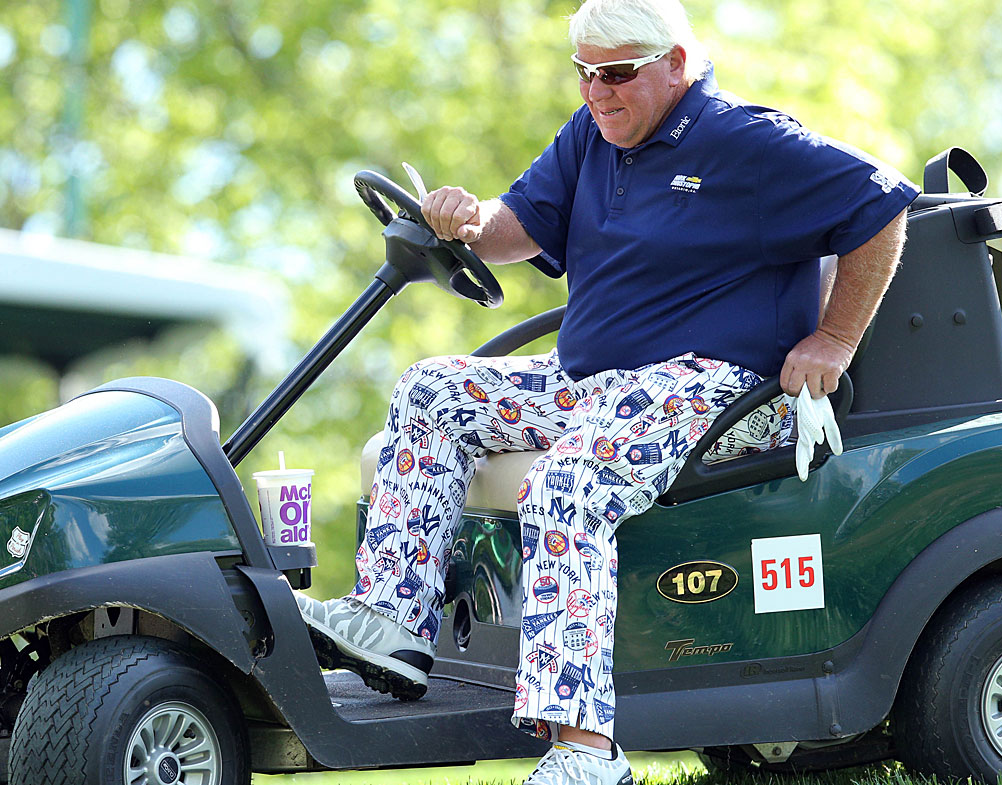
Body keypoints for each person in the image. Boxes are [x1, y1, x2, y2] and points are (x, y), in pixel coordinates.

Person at [294, 0, 919, 782]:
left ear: (676, 66)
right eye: (584, 73)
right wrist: (466, 218)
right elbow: (516, 225)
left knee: (566, 486)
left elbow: (884, 204)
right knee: (431, 390)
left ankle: (586, 751)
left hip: (706, 382)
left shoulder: (745, 140)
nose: (597, 90)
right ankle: (392, 623)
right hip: (593, 381)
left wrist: (834, 339)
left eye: (616, 73)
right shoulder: (593, 132)